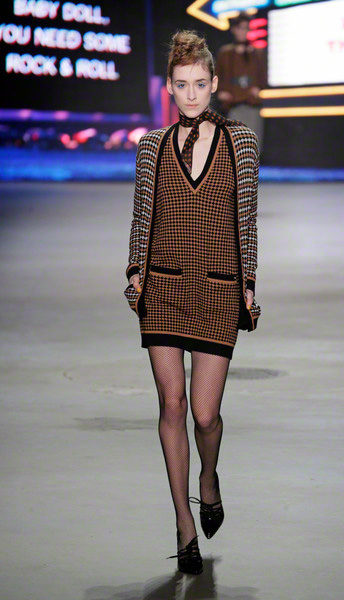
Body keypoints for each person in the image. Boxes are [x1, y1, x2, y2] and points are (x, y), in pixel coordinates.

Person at [124, 29, 261, 575]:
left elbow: (246, 220)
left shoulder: (240, 142)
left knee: (205, 416)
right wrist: (135, 273)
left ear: (214, 83)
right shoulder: (151, 147)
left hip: (216, 288)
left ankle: (208, 477)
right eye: (181, 85)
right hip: (162, 287)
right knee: (172, 406)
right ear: (169, 86)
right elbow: (142, 218)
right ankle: (184, 525)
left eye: (200, 84)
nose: (191, 95)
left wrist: (248, 283)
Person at [215, 12, 267, 149]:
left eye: (246, 28)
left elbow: (263, 79)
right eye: (240, 28)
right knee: (233, 148)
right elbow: (216, 77)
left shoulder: (256, 53)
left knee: (252, 147)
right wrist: (221, 92)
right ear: (234, 29)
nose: (243, 31)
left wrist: (258, 88)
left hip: (251, 105)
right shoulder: (225, 53)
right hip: (232, 106)